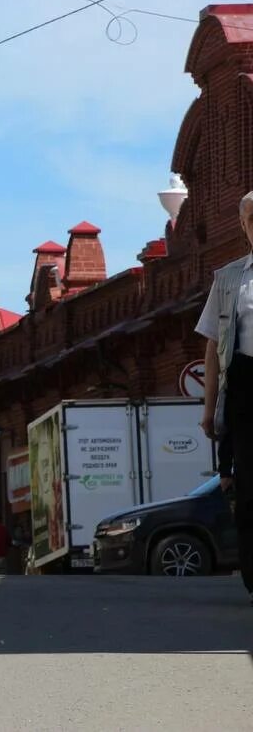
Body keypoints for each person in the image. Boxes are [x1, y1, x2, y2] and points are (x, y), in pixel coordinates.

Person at [197, 189, 253, 605]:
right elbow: (214, 350)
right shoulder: (229, 278)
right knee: (249, 492)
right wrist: (209, 407)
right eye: (252, 220)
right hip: (246, 388)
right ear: (243, 226)